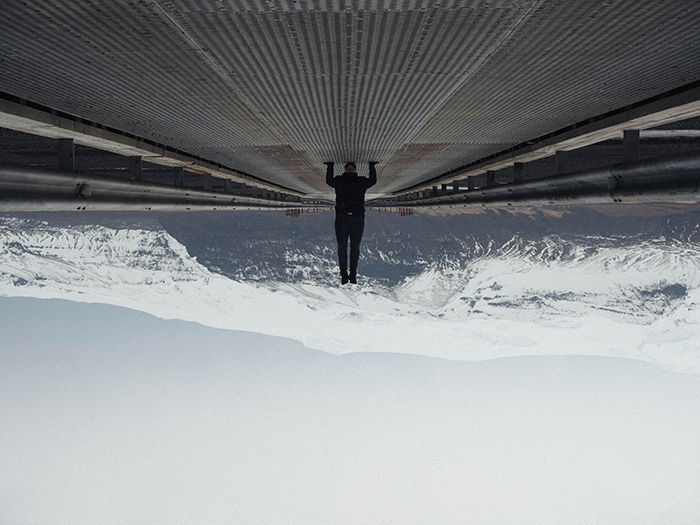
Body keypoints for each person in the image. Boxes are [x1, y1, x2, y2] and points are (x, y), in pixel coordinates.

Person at [324, 161, 377, 284]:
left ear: (345, 170)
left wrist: (330, 166)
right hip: (356, 218)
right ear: (355, 170)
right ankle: (351, 275)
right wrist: (372, 166)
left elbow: (329, 181)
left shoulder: (341, 181)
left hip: (343, 218)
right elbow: (373, 181)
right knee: (354, 247)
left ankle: (346, 275)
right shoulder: (360, 181)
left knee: (343, 247)